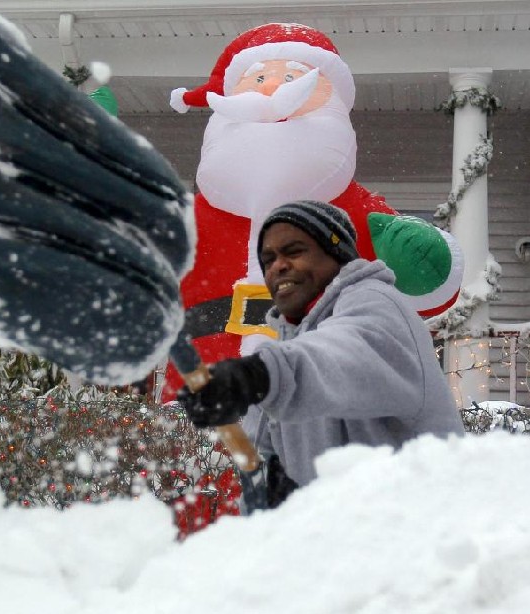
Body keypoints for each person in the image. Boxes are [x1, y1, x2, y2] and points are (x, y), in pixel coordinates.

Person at [162, 22, 462, 400]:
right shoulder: (190, 219)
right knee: (197, 457)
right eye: (257, 79)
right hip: (202, 402)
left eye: (291, 77)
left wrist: (418, 258)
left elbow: (425, 285)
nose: (271, 89)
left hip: (323, 391)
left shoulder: (352, 211)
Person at [178, 201, 465, 507]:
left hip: (427, 533)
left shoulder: (376, 303)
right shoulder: (291, 344)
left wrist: (258, 375)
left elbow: (342, 355)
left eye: (295, 251)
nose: (278, 265)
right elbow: (264, 449)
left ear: (337, 253)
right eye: (268, 258)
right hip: (346, 540)